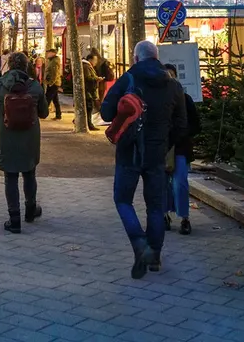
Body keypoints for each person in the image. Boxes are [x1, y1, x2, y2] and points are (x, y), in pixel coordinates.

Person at [100, 40, 187, 278]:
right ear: (157, 57)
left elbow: (105, 112)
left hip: (129, 152)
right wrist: (164, 144)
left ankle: (140, 243)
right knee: (156, 206)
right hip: (157, 154)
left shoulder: (129, 78)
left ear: (136, 58)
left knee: (123, 200)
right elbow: (182, 125)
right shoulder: (173, 84)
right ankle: (155, 256)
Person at [0, 52, 49, 232]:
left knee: (10, 177)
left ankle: (14, 219)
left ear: (9, 65)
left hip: (7, 137)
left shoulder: (0, 86)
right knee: (29, 173)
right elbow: (44, 113)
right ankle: (30, 209)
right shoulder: (34, 87)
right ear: (26, 65)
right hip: (30, 138)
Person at [165, 68, 201, 235]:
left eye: (172, 76)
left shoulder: (185, 99)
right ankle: (165, 214)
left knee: (180, 183)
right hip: (163, 148)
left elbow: (196, 124)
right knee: (163, 184)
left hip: (180, 147)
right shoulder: (158, 100)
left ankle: (184, 218)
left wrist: (183, 133)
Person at [81, 53, 102, 130]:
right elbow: (88, 78)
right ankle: (89, 124)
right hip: (88, 90)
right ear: (90, 59)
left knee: (89, 107)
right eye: (95, 60)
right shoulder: (86, 66)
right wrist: (97, 79)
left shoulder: (88, 66)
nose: (96, 62)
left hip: (89, 90)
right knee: (89, 107)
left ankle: (87, 122)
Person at [43, 48, 63, 120]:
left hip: (53, 84)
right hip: (53, 83)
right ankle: (58, 115)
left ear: (53, 53)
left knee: (47, 99)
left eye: (48, 53)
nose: (47, 54)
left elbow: (54, 73)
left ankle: (43, 113)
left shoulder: (54, 62)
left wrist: (51, 83)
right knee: (55, 100)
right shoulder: (51, 61)